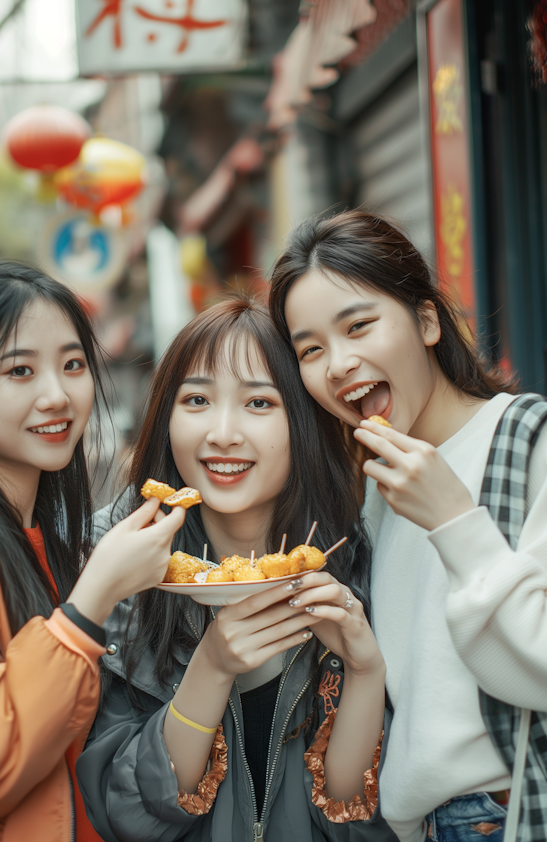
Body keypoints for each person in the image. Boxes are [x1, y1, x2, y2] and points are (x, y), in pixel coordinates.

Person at [268, 210, 547, 842]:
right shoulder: (369, 493)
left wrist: (455, 522)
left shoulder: (529, 441)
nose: (338, 364)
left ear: (426, 320)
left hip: (508, 816)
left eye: (359, 325)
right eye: (310, 349)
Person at [77, 296, 395, 842]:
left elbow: (353, 821)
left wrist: (364, 672)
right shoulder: (116, 568)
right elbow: (126, 816)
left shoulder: (357, 557)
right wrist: (213, 666)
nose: (222, 433)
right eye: (197, 399)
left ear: (303, 420)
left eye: (259, 403)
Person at [0, 262, 185, 842]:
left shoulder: (33, 534)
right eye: (20, 370)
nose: (56, 395)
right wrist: (91, 603)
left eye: (73, 365)